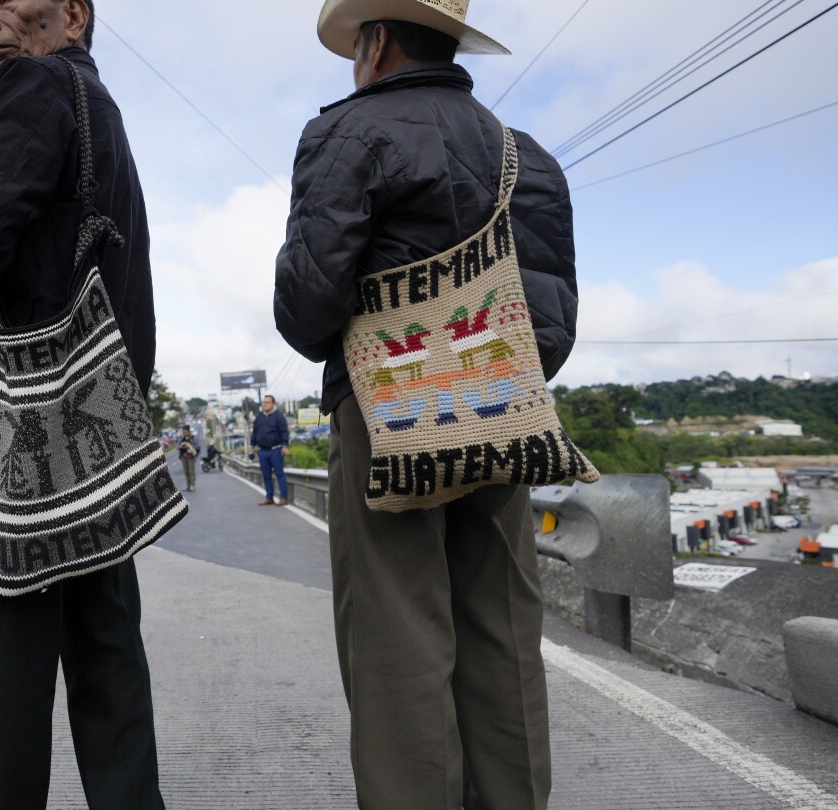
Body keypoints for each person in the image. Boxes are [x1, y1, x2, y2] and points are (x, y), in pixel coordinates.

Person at [274, 2, 577, 807]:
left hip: (386, 419)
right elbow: (551, 322)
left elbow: (307, 310)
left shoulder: (346, 133)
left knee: (398, 637)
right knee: (505, 633)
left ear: (375, 41)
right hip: (503, 406)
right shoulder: (529, 157)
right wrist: (476, 380)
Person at [0, 0, 164, 806]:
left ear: (74, 14)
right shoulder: (101, 112)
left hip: (5, 449)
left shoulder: (32, 88)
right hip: (98, 443)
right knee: (110, 671)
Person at [251, 395, 291, 505]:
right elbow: (255, 432)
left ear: (273, 403)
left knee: (279, 474)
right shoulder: (259, 417)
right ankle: (269, 497)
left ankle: (283, 498)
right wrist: (251, 445)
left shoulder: (279, 417)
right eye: (263, 402)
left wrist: (285, 446)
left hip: (276, 450)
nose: (265, 404)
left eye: (267, 402)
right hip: (263, 451)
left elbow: (284, 432)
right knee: (266, 475)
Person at [177, 425, 200, 492]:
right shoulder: (181, 438)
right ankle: (188, 485)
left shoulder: (193, 438)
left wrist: (189, 446)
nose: (184, 432)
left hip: (191, 457)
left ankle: (192, 485)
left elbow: (197, 446)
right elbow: (178, 446)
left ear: (189, 431)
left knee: (191, 471)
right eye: (183, 431)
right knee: (186, 472)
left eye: (185, 431)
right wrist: (182, 446)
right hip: (183, 456)